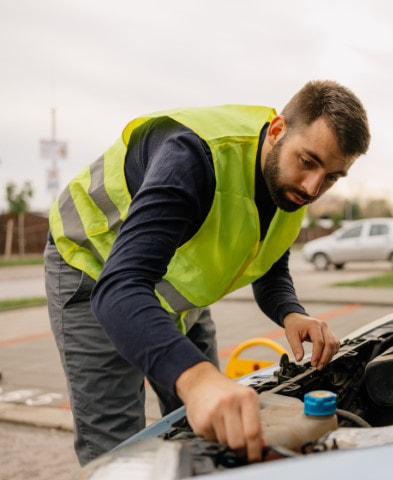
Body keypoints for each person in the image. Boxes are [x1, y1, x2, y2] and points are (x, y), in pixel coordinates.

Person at [44, 80, 371, 465]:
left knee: (211, 421)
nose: (314, 186)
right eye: (309, 162)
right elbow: (121, 287)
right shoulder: (193, 156)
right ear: (279, 130)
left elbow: (267, 258)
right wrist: (196, 379)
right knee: (120, 448)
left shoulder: (288, 179)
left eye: (332, 176)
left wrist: (290, 311)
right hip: (94, 270)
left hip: (174, 292)